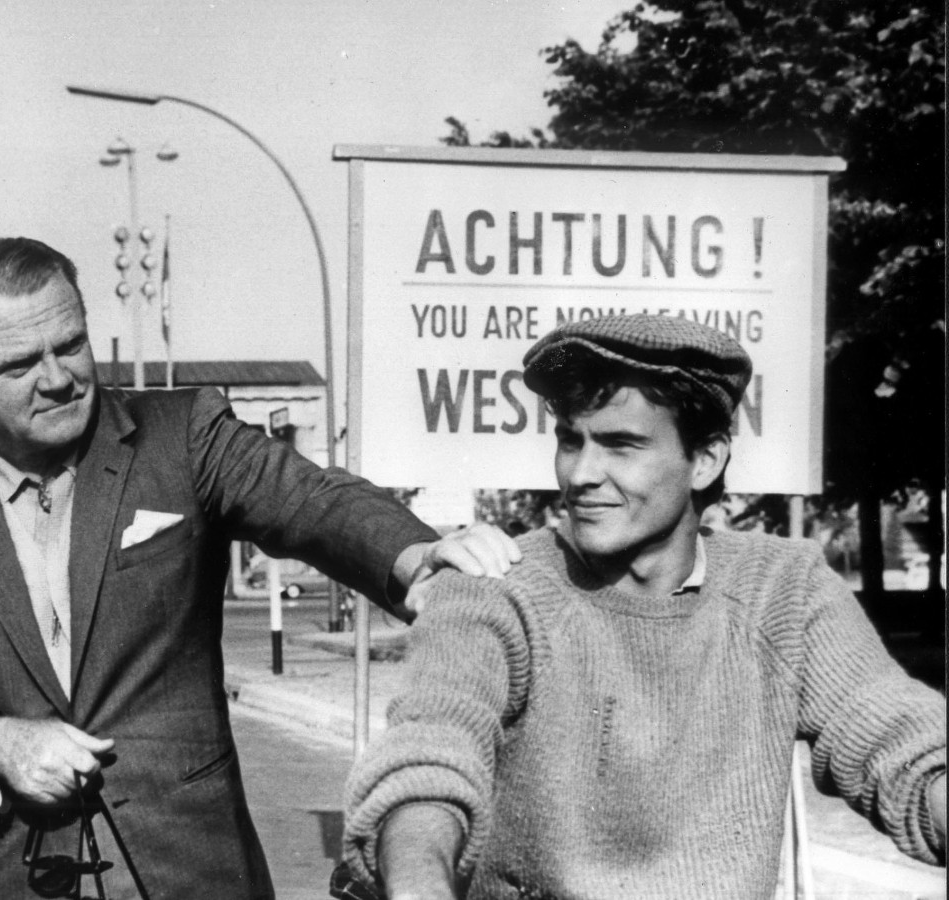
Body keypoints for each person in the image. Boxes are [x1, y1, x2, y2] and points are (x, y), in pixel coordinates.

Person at [0, 236, 521, 898]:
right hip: (21, 877)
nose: (56, 379)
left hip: (195, 870)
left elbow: (310, 500)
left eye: (70, 345)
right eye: (19, 364)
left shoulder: (182, 436)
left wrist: (413, 555)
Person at [341, 314, 947, 899]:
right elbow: (430, 753)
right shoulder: (493, 585)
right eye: (570, 440)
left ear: (705, 459)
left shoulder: (783, 590)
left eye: (621, 445)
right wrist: (418, 882)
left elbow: (897, 738)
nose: (582, 473)